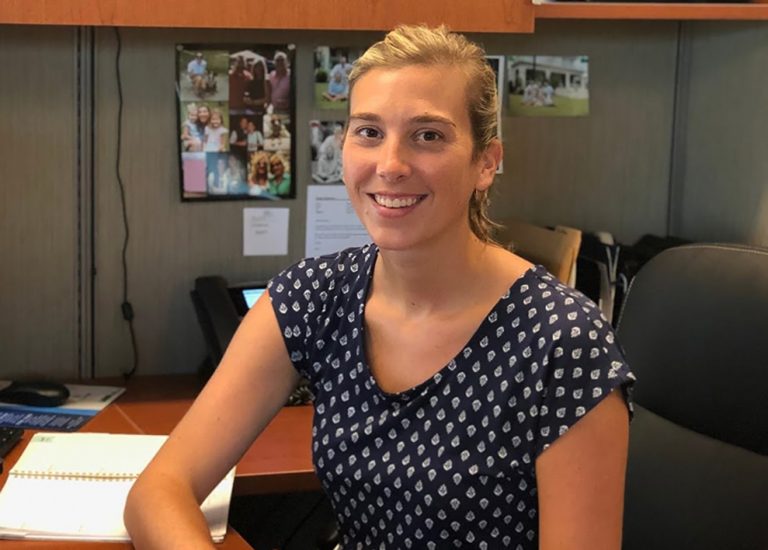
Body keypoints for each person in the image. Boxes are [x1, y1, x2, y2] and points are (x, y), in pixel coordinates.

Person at [125, 24, 634, 550]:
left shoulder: (564, 342)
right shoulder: (314, 297)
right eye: (369, 132)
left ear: (486, 162)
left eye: (428, 135)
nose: (390, 165)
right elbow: (159, 490)